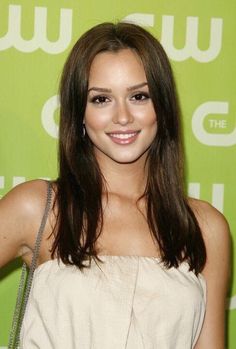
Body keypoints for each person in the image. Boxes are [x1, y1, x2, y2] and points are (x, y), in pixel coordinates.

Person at [0, 22, 230, 349]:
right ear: (79, 112)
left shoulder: (205, 228)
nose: (122, 116)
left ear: (162, 106)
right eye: (101, 99)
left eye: (139, 96)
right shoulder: (39, 208)